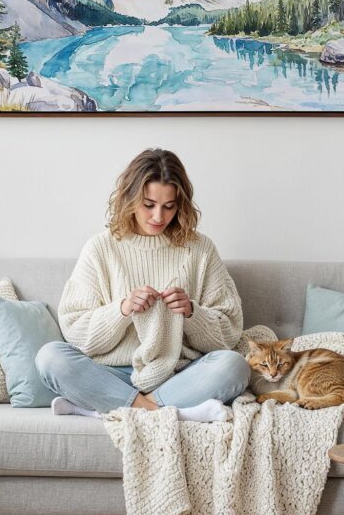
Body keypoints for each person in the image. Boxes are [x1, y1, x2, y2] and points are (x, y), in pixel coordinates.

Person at [35, 148, 250, 423]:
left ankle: (107, 409)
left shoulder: (200, 249)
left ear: (180, 204)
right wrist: (122, 310)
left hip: (179, 376)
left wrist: (192, 313)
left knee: (234, 366)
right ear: (130, 198)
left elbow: (229, 331)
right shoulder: (101, 247)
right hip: (114, 375)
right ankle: (170, 413)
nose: (158, 217)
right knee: (50, 357)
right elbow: (76, 330)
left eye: (169, 206)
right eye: (148, 205)